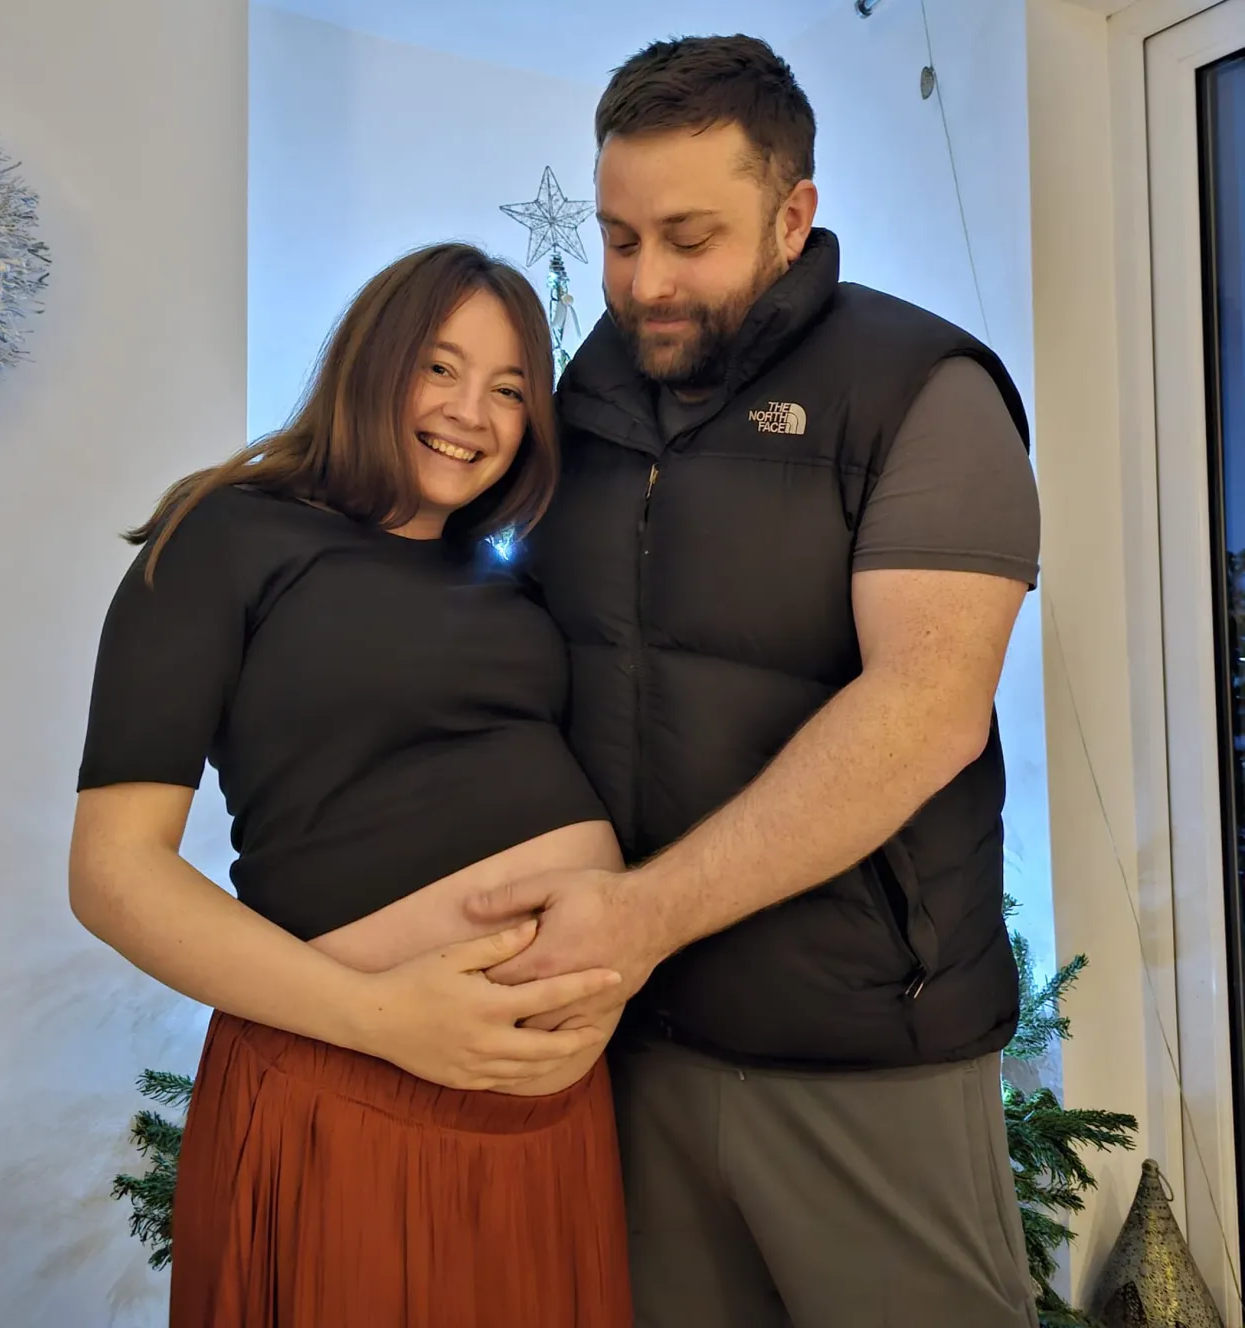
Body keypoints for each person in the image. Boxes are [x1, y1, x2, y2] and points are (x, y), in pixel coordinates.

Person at [466, 35, 1043, 1328]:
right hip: (629, 1049)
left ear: (794, 217)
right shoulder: (591, 392)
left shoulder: (924, 391)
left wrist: (641, 919)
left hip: (860, 1056)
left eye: (688, 237)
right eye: (619, 239)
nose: (644, 283)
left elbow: (924, 716)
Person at [68, 244, 633, 1328]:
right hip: (345, 1087)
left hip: (553, 1122)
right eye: (438, 366)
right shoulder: (226, 533)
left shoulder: (503, 572)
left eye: (511, 389)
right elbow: (112, 873)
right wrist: (382, 1018)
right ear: (370, 362)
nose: (472, 411)